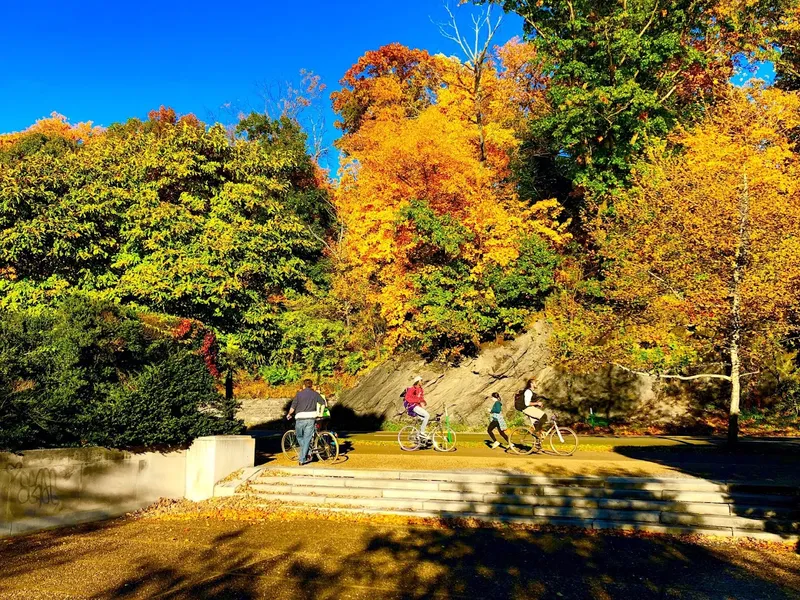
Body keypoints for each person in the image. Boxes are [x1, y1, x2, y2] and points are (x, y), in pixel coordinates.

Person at [286, 379, 323, 466]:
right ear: (311, 385)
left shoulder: (299, 394)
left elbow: (293, 407)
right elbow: (323, 402)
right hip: (310, 418)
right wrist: (320, 413)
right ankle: (308, 451)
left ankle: (302, 459)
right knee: (307, 439)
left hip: (300, 418)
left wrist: (289, 414)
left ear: (303, 386)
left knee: (299, 436)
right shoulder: (315, 394)